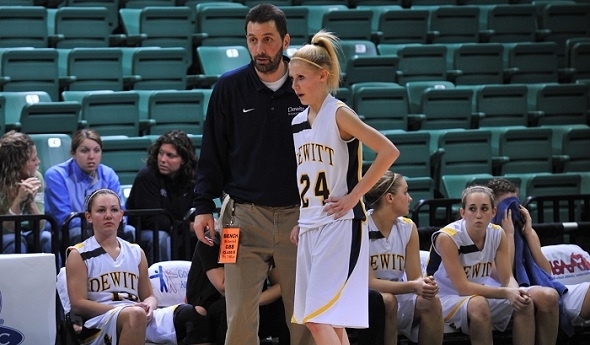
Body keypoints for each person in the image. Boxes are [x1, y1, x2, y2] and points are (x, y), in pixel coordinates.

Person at [191, 4, 314, 345]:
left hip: (299, 220)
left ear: (285, 40)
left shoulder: (306, 87)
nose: (260, 49)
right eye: (253, 40)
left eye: (268, 40)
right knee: (240, 317)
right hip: (241, 218)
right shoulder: (228, 88)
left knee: (304, 318)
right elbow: (212, 151)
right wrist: (203, 205)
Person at [288, 30, 399, 345]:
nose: (294, 85)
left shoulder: (339, 113)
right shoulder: (297, 122)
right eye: (292, 78)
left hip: (340, 223)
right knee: (329, 319)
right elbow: (307, 177)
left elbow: (389, 151)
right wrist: (302, 217)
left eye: (301, 78)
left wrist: (354, 196)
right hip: (311, 223)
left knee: (316, 318)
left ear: (322, 76)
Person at [65, 188, 213, 345]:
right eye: (101, 210)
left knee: (196, 314)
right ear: (89, 216)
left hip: (137, 314)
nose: (108, 215)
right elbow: (78, 304)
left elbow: (149, 296)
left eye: (114, 210)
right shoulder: (78, 253)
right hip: (100, 322)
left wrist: (148, 306)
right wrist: (123, 310)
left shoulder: (136, 251)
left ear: (121, 215)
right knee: (134, 314)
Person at [427, 185, 555, 345]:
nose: (478, 215)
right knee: (479, 305)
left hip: (475, 295)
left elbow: (507, 277)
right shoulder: (448, 237)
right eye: (472, 209)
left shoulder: (497, 233)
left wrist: (516, 293)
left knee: (527, 302)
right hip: (443, 297)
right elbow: (463, 288)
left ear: (493, 212)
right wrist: (507, 293)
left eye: (484, 208)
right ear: (463, 213)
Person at [487, 177, 589, 336]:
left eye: (516, 206)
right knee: (546, 296)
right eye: (507, 208)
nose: (512, 213)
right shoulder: (486, 235)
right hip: (504, 292)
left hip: (539, 284)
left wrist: (528, 233)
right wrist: (508, 234)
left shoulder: (525, 230)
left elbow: (547, 272)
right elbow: (503, 275)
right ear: (494, 210)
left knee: (551, 294)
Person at [364, 171, 444, 345]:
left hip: (399, 294)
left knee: (431, 302)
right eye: (406, 192)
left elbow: (415, 277)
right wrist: (413, 285)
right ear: (390, 198)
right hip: (367, 299)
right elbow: (370, 283)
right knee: (387, 300)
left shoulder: (408, 227)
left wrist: (424, 285)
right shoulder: (361, 226)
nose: (410, 198)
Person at [185, 224, 290, 345]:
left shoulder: (264, 242)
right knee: (229, 306)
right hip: (212, 306)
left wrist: (254, 301)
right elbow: (224, 288)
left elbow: (283, 285)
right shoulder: (211, 240)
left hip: (252, 300)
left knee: (285, 302)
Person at [45, 128, 134, 247]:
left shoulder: (109, 175)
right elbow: (65, 220)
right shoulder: (56, 175)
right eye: (85, 151)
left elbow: (120, 212)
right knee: (78, 232)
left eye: (97, 150)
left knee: (129, 230)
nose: (91, 156)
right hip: (68, 232)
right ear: (73, 153)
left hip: (102, 227)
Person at [126, 130, 198, 263]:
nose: (163, 160)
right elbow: (153, 220)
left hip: (177, 228)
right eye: (161, 153)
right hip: (147, 231)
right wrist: (187, 226)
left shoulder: (192, 177)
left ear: (183, 160)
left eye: (170, 155)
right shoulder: (146, 176)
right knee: (161, 237)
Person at [0, 130, 51, 254]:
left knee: (46, 239)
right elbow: (6, 231)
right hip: (7, 235)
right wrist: (18, 200)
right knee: (15, 241)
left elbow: (40, 228)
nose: (38, 162)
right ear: (17, 163)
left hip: (26, 232)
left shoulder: (36, 177)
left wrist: (30, 202)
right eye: (33, 159)